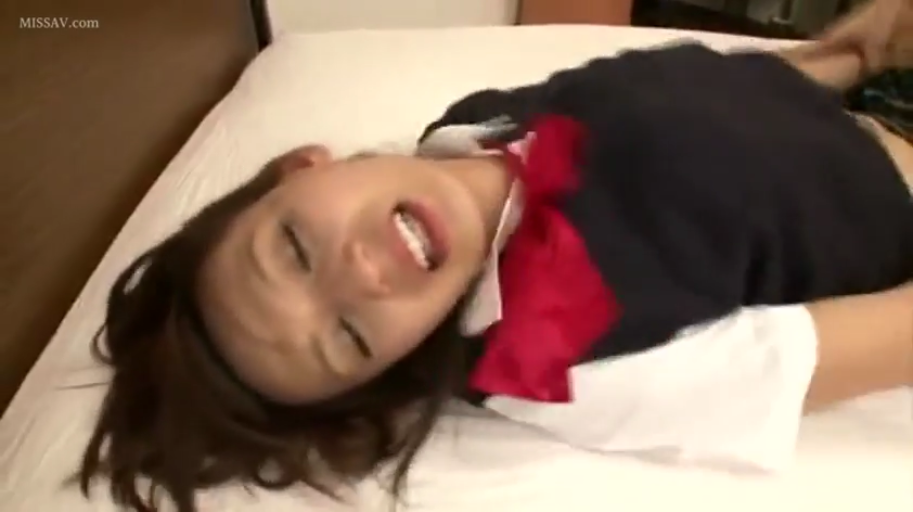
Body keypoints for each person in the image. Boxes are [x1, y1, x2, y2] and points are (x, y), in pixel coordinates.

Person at [78, 1, 913, 511]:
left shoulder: (470, 124)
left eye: (294, 248)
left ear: (301, 167)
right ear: (395, 365)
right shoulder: (566, 364)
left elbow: (707, 105)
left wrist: (853, 53)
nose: (361, 278)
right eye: (351, 338)